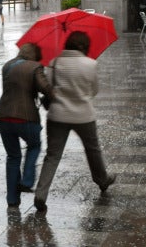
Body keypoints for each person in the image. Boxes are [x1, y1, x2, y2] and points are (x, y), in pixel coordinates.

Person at [34, 31, 116, 212]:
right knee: (92, 149)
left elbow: (49, 87)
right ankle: (102, 180)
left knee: (53, 155)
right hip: (84, 116)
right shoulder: (91, 64)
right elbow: (94, 90)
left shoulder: (54, 63)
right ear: (86, 46)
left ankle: (41, 193)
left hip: (57, 115)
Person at [0, 43, 54, 208]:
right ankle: (27, 180)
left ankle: (12, 199)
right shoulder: (35, 67)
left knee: (13, 157)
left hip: (3, 116)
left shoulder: (7, 66)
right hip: (25, 117)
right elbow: (46, 88)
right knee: (34, 145)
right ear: (35, 55)